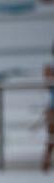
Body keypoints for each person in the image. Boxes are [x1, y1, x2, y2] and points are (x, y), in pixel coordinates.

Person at [42, 42, 53, 172]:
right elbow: (47, 83)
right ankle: (46, 164)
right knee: (51, 139)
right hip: (53, 108)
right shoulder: (49, 68)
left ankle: (46, 164)